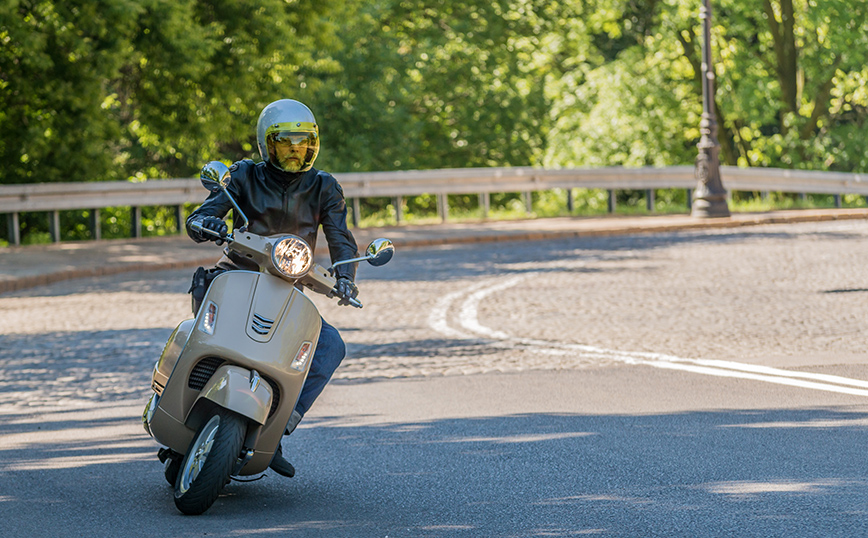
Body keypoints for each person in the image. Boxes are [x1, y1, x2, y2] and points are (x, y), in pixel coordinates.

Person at [185, 99, 360, 478]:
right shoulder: (245, 174)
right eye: (286, 143)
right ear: (268, 145)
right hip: (237, 274)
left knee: (330, 346)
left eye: (303, 143)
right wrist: (206, 224)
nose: (296, 151)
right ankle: (181, 397)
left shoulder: (324, 186)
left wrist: (346, 275)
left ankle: (275, 429)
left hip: (288, 289)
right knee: (200, 332)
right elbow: (205, 213)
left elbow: (340, 237)